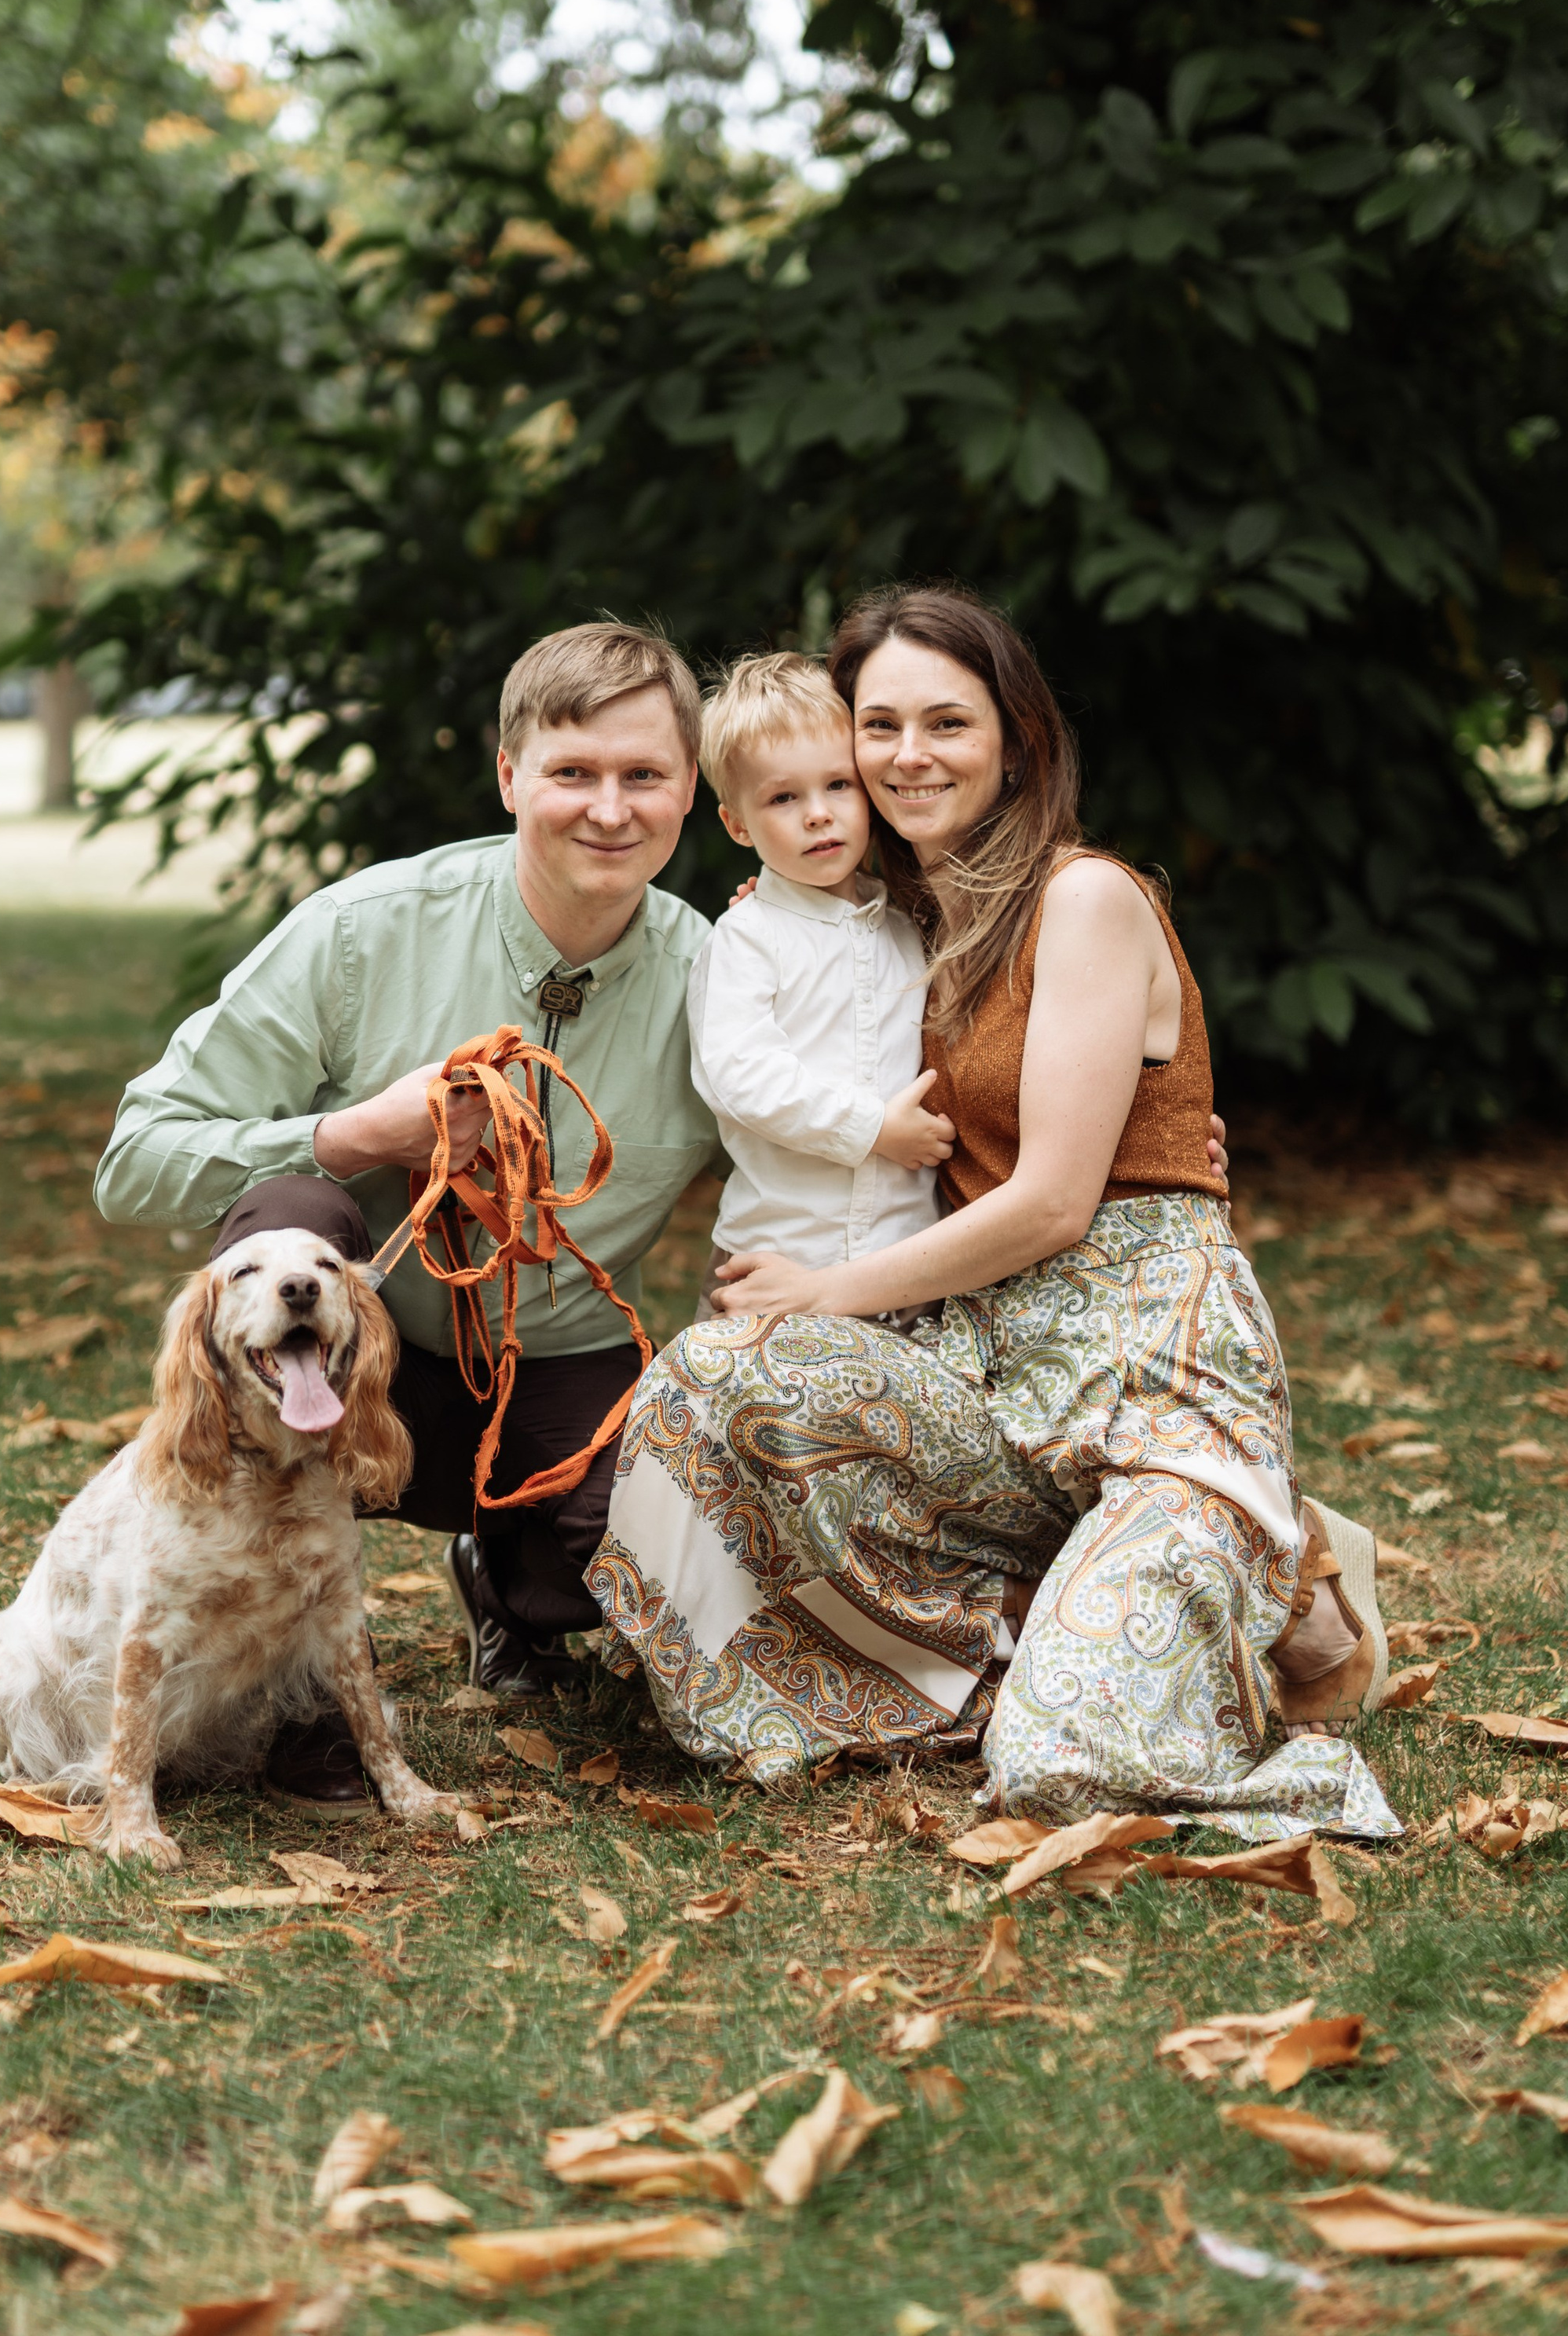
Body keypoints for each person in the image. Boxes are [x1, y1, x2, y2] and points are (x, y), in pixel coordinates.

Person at [591, 585, 1397, 1842]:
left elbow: (1056, 1201)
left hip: (1142, 1370)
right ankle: (1093, 1598)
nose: (908, 756)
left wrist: (828, 1289)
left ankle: (1257, 1560)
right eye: (880, 724)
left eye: (948, 723)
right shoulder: (904, 916)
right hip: (988, 1362)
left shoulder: (1081, 897)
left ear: (1017, 738)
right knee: (712, 1379)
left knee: (1065, 1766)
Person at [93, 622, 725, 1800]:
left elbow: (834, 1146)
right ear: (508, 776)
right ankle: (292, 1691)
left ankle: (515, 1581)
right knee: (294, 1204)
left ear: (692, 786)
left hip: (556, 1364)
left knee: (645, 1564)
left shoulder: (721, 976)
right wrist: (359, 1133)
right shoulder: (361, 929)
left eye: (645, 775)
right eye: (572, 772)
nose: (609, 808)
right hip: (334, 1371)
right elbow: (135, 1161)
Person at [686, 652, 947, 1318]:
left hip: (904, 1263)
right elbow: (740, 1074)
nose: (818, 815)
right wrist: (872, 1128)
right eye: (783, 797)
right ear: (737, 824)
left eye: (839, 785)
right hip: (775, 1258)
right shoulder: (748, 937)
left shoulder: (910, 926)